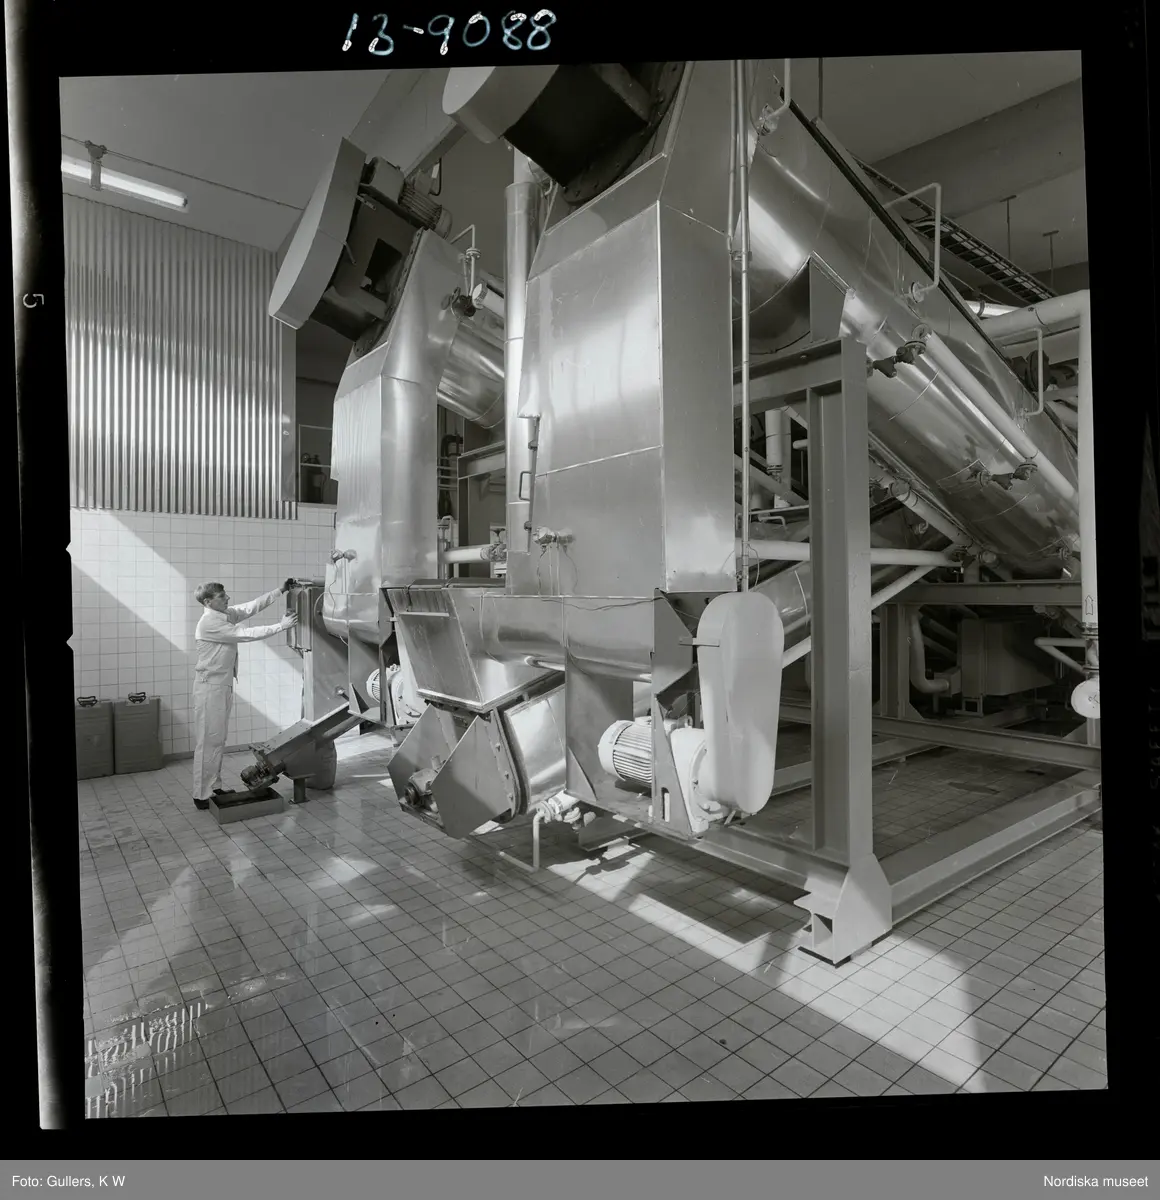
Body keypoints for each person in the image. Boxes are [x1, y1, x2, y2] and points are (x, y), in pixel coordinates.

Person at [191, 579, 298, 811]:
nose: (227, 598)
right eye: (222, 596)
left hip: (221, 686)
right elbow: (246, 633)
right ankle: (201, 795)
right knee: (209, 741)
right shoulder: (209, 623)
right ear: (208, 601)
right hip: (210, 689)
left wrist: (280, 590)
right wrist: (281, 626)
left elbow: (251, 607)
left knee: (217, 740)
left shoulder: (223, 615)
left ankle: (213, 787)